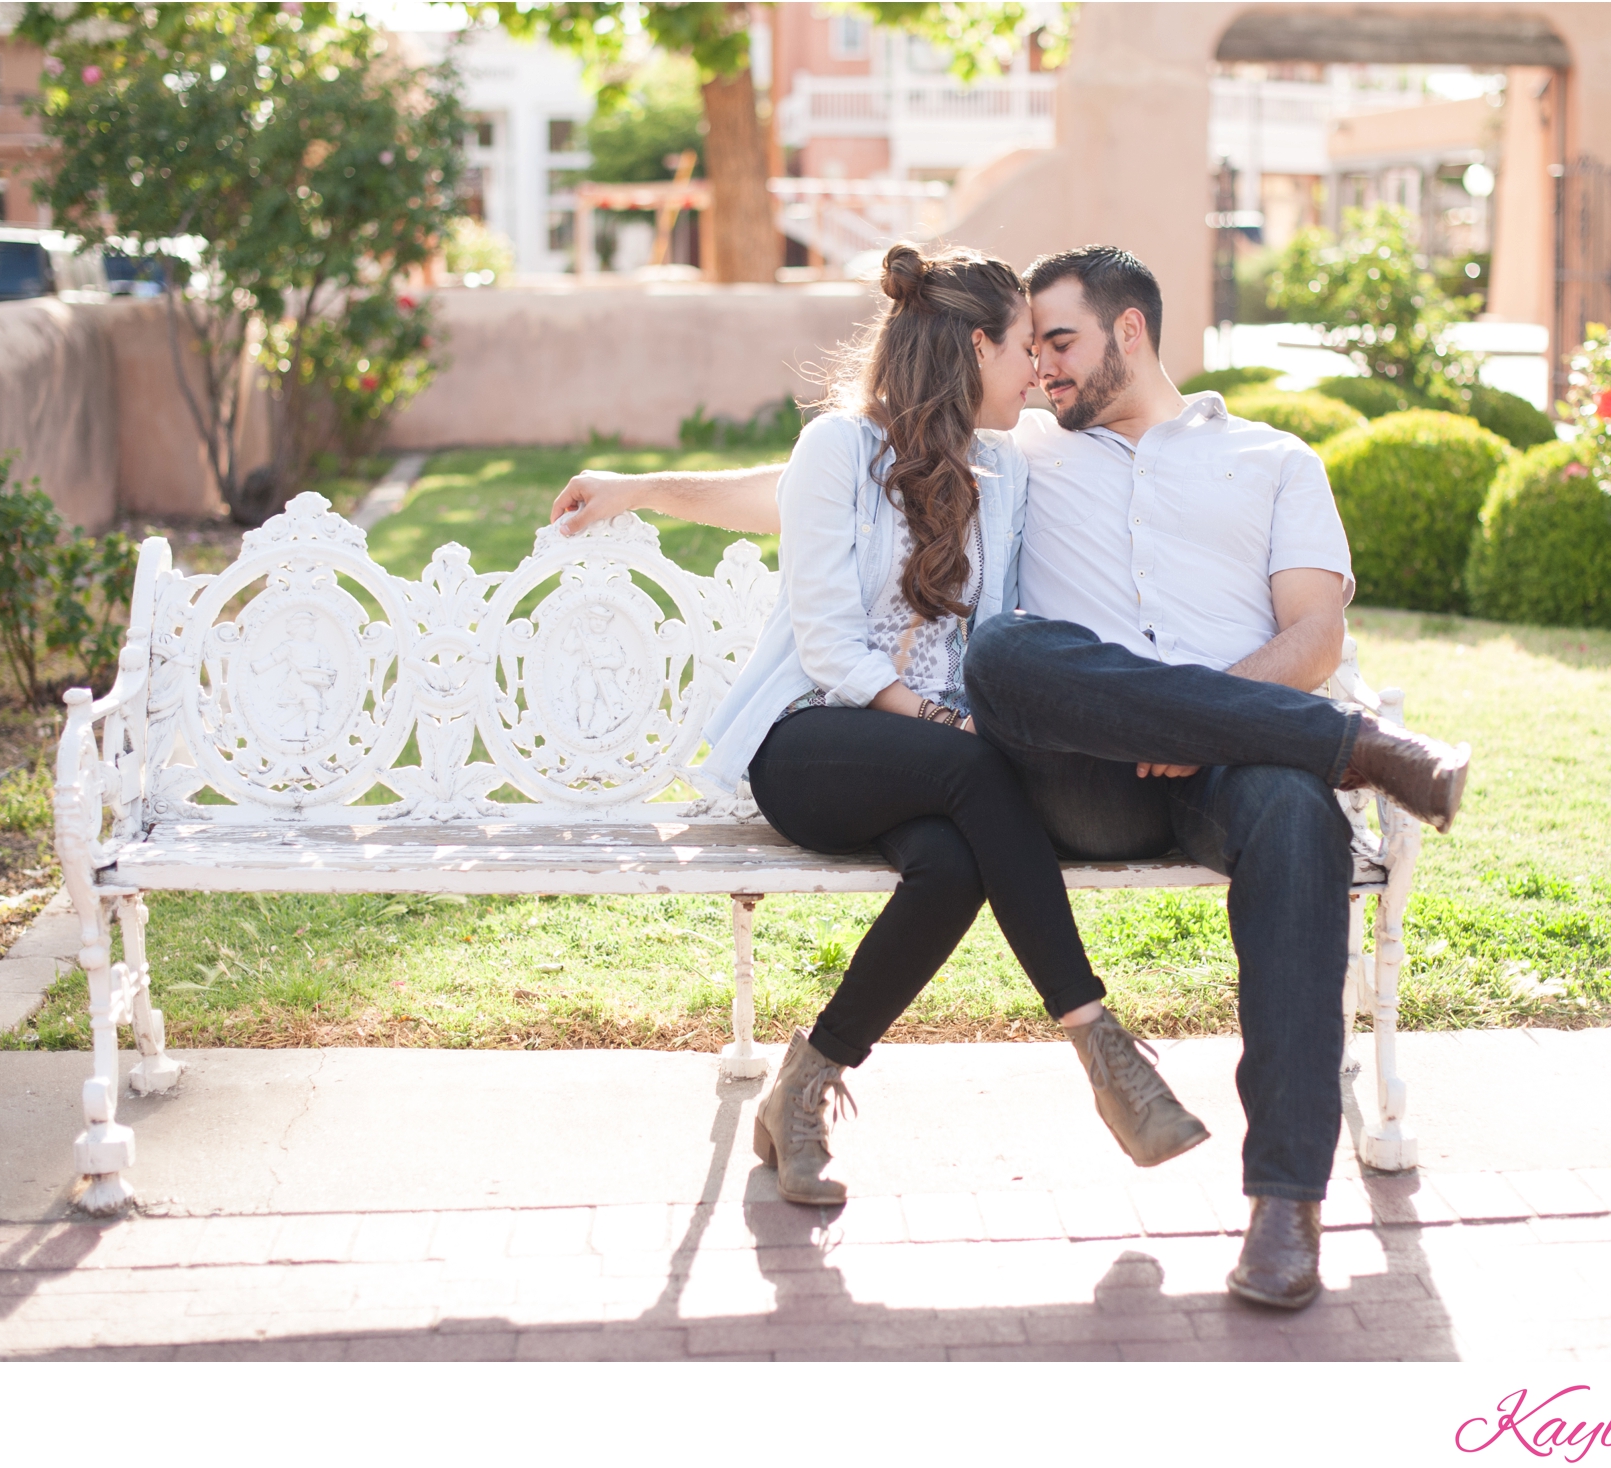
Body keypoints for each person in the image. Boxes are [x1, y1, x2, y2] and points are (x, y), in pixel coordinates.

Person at [550, 244, 1470, 1310]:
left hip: (1219, 767)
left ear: (1128, 332)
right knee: (1007, 656)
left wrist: (1202, 718)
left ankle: (1281, 1208)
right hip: (1037, 765)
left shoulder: (1250, 459)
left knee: (1290, 821)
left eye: (1060, 343)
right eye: (1028, 348)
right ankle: (1342, 758)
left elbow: (1316, 628)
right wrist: (644, 487)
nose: (1043, 369)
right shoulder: (1018, 443)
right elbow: (812, 488)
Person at [691, 242, 1211, 1208]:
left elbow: (1000, 628)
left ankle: (802, 1089)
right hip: (812, 744)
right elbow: (831, 644)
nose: (1039, 371)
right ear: (976, 347)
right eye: (1023, 348)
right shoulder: (839, 451)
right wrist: (940, 723)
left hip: (932, 765)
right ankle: (1102, 1047)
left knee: (954, 863)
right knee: (976, 779)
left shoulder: (1002, 471)